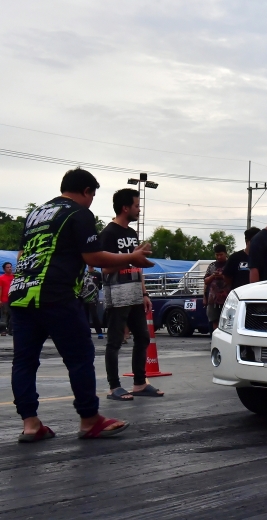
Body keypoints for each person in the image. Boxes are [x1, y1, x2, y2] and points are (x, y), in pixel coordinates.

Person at [12, 168, 153, 442]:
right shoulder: (79, 212)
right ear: (87, 191)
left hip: (22, 294)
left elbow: (22, 255)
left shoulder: (35, 215)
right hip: (56, 295)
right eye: (92, 196)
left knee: (24, 362)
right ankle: (89, 420)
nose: (91, 202)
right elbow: (93, 257)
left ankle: (30, 424)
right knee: (79, 358)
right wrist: (131, 257)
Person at [100, 188, 164, 402]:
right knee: (115, 342)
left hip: (135, 295)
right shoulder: (108, 233)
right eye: (137, 206)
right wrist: (130, 257)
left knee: (143, 337)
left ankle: (139, 383)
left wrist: (144, 292)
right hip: (117, 296)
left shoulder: (131, 233)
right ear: (125, 208)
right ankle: (114, 387)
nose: (139, 210)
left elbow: (137, 265)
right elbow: (104, 268)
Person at [204, 244, 230, 331]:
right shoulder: (212, 266)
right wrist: (213, 276)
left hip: (227, 299)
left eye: (221, 254)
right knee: (214, 320)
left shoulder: (230, 264)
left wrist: (223, 276)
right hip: (213, 299)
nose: (219, 257)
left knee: (227, 321)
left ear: (225, 254)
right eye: (217, 255)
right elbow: (206, 281)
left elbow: (233, 279)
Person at [79, 266, 103, 338]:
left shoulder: (98, 274)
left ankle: (99, 333)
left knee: (94, 315)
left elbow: (100, 286)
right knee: (85, 315)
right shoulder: (84, 274)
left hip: (93, 298)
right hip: (83, 297)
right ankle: (86, 332)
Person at [0, 262, 13, 336]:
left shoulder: (14, 277)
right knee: (4, 315)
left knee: (13, 315)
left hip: (13, 299)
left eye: (10, 267)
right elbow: (0, 289)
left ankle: (11, 330)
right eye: (7, 267)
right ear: (4, 269)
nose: (9, 268)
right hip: (4, 299)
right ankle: (2, 330)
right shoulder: (1, 278)